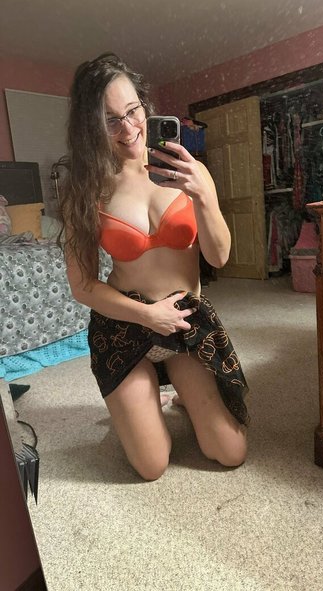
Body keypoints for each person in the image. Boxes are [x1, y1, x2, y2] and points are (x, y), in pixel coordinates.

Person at [59, 53, 249, 481]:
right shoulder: (84, 191)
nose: (128, 130)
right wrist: (147, 315)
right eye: (110, 121)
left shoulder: (190, 171)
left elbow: (219, 257)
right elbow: (83, 285)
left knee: (230, 451)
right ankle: (134, 407)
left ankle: (177, 396)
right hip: (124, 326)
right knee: (151, 465)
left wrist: (203, 196)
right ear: (90, 127)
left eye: (133, 111)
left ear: (145, 106)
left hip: (184, 323)